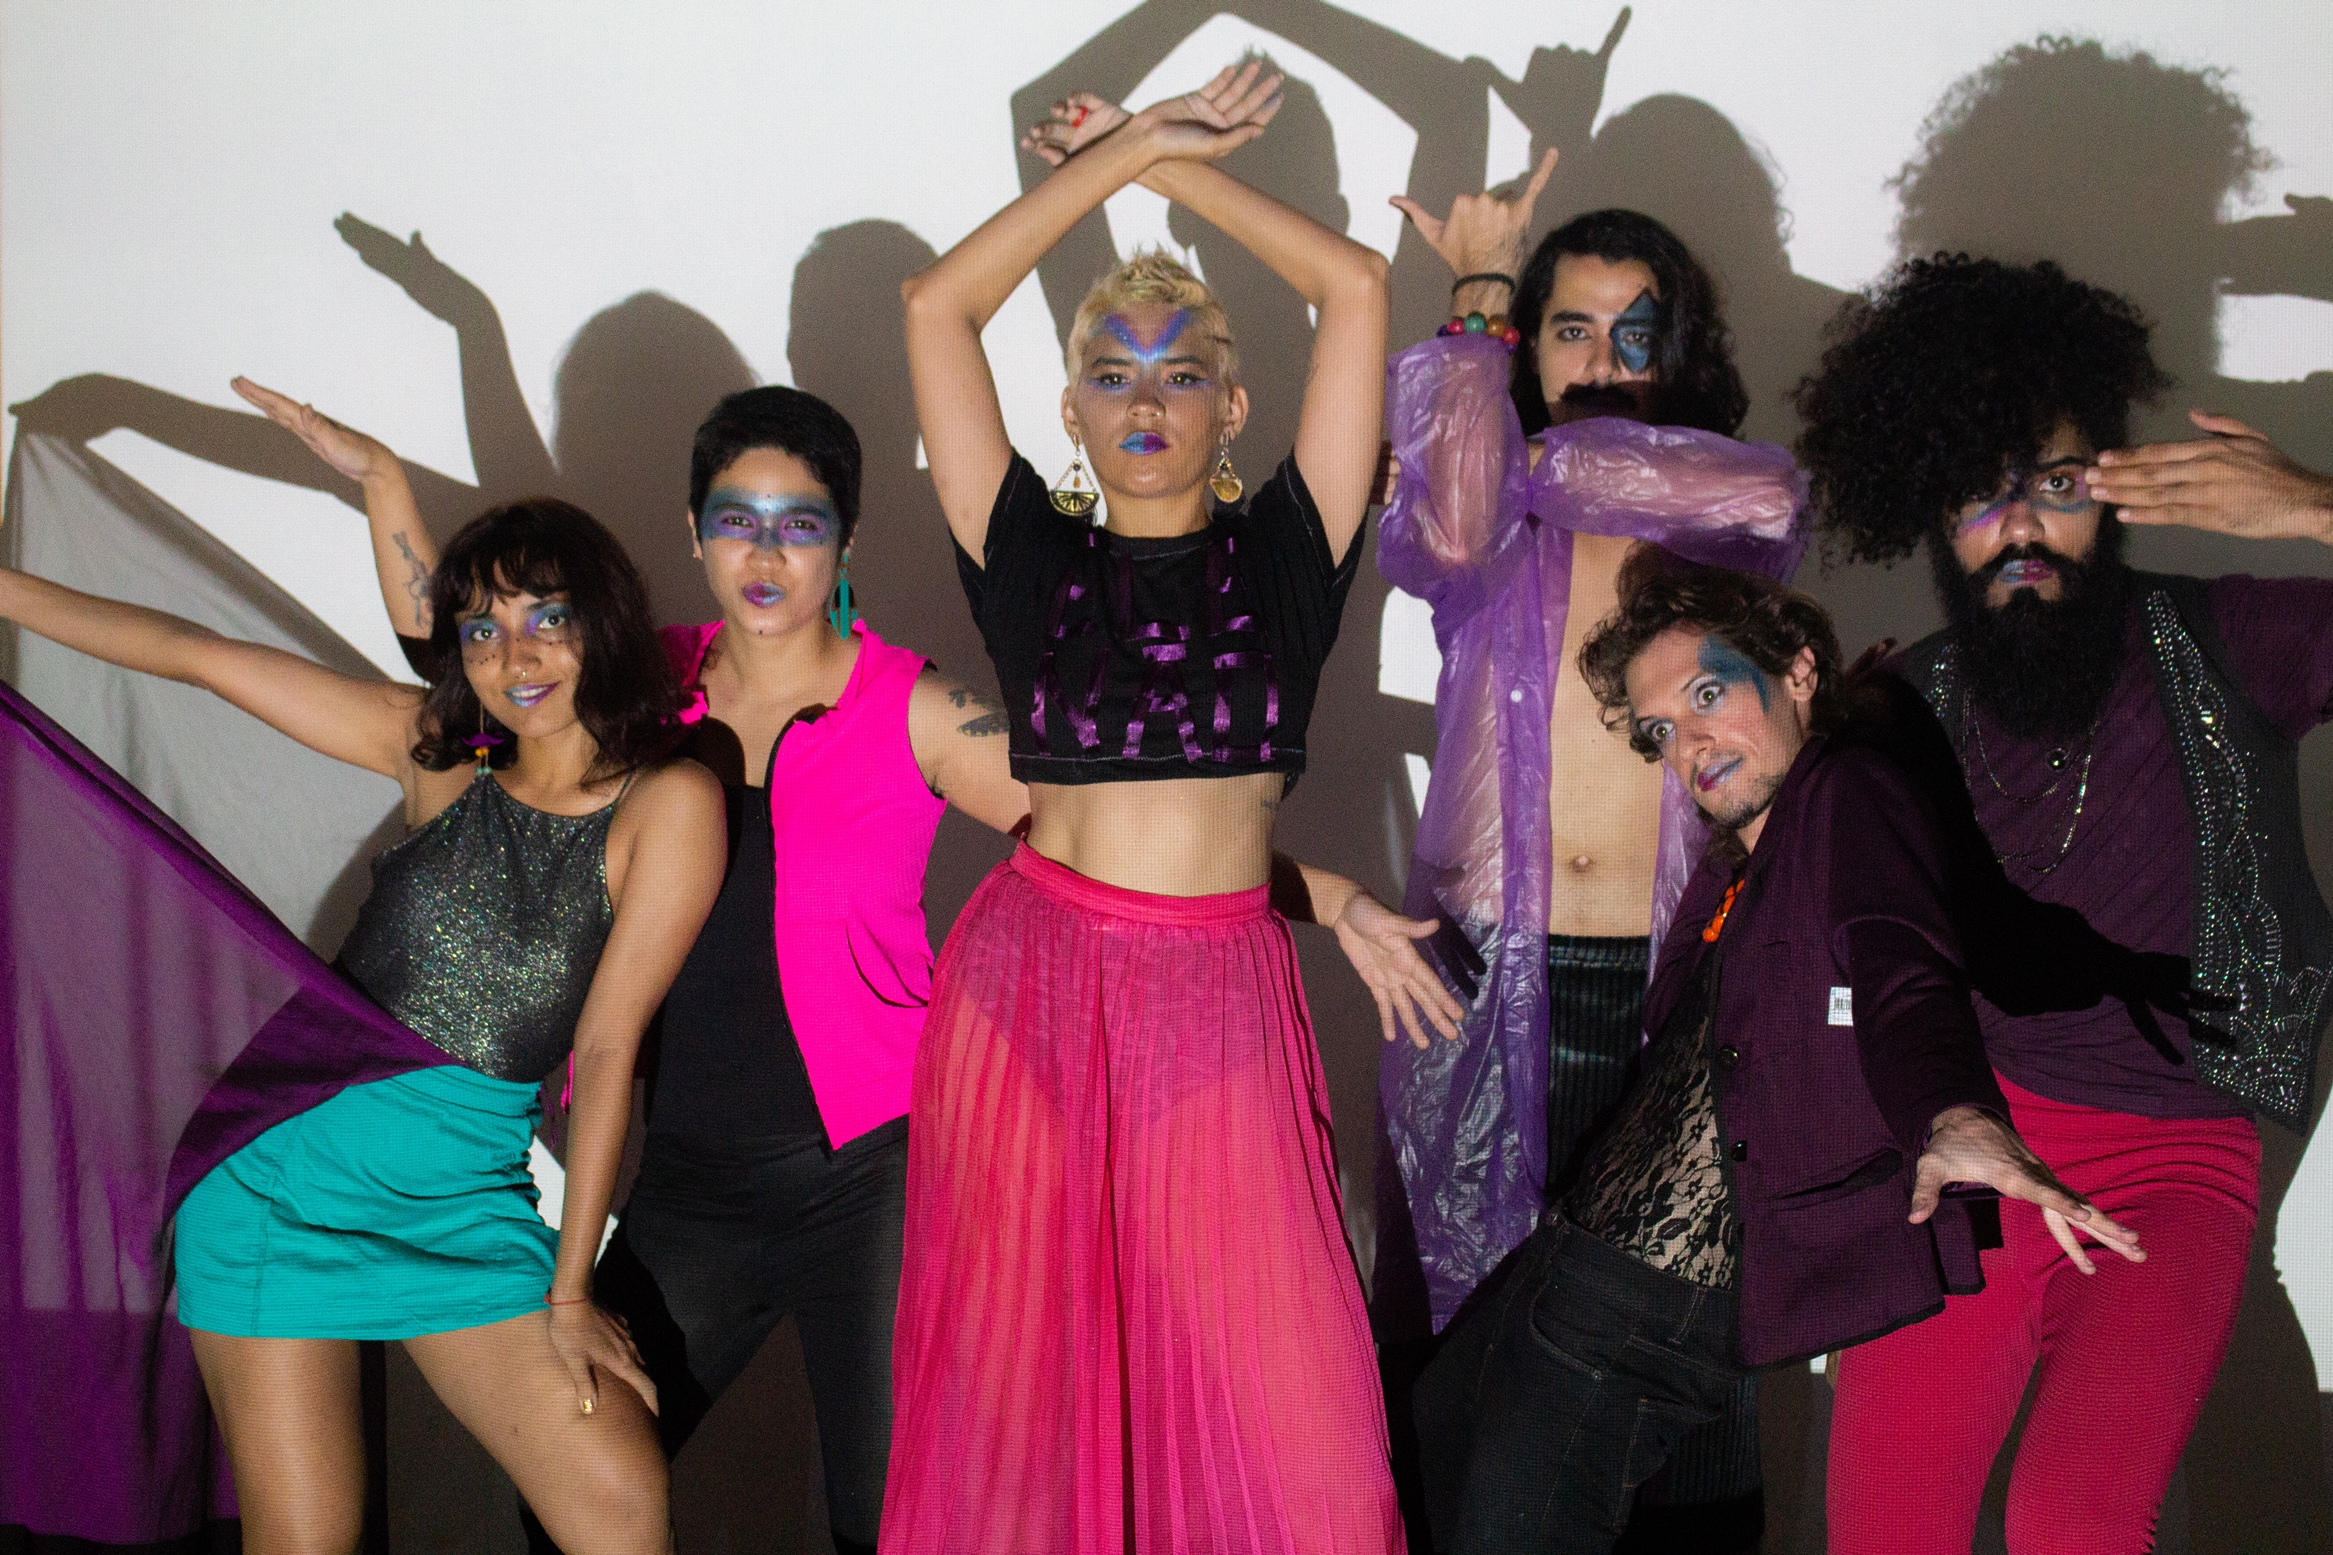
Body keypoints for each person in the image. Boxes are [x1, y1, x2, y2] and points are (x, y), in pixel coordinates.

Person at [890, 61, 1454, 1551]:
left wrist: (1166, 167)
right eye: (1111, 371)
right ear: (1069, 407)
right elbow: (935, 307)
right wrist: (1128, 145)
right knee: (1027, 1415)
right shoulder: (1024, 552)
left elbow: (1353, 284)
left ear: (1234, 403)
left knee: (1301, 1437)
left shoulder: (1290, 551)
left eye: (1180, 371)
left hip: (1218, 998)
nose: (1144, 398)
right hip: (1029, 989)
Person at [0, 494, 724, 1552]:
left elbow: (608, 1049)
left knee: (616, 1495)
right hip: (275, 1183)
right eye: (482, 629)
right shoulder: (438, 753)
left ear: (600, 622)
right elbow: (199, 656)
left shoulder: (668, 802)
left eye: (546, 618)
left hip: (464, 1203)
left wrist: (571, 1296)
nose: (515, 656)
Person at [1413, 553, 2141, 1552]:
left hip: (1634, 1310)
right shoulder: (1744, 865)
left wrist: (1952, 1113)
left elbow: (1900, 967)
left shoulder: (1847, 793)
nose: (1688, 744)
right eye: (1660, 729)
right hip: (1567, 1261)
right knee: (1424, 1444)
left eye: (1708, 694)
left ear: (1797, 670)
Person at [1793, 252, 2333, 1551]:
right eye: (1979, 496)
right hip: (1966, 1147)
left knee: (2071, 1519)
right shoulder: (1898, 708)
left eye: (2056, 485)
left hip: (2171, 1165)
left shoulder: (2228, 643)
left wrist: (2318, 506)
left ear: (2114, 496)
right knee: (1881, 1529)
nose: (2021, 528)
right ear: (1931, 517)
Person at [1374, 167, 1805, 1544]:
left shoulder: (1733, 511)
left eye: (1637, 333)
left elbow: (1750, 484)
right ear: (1523, 341)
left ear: (1684, 353)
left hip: (1689, 992)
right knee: (1468, 1357)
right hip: (1480, 981)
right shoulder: (1480, 526)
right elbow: (1450, 513)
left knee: (1686, 1363)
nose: (1605, 361)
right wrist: (1474, 305)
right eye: (1571, 329)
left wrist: (1515, 433)